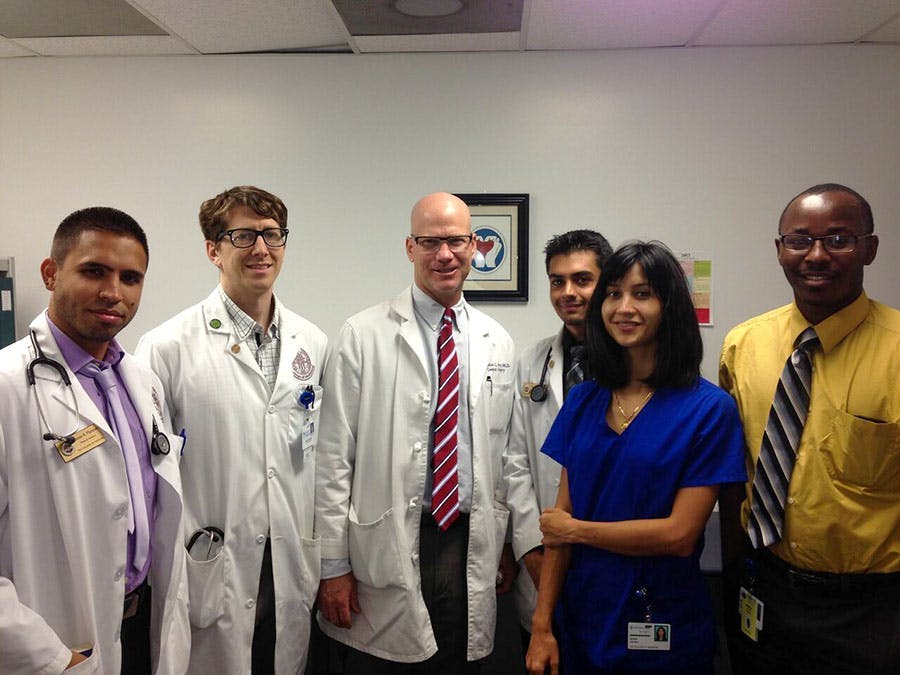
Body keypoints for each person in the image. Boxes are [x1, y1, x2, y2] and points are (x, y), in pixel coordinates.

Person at [314, 191, 541, 673]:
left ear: (475, 245)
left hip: (467, 540)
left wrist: (504, 544)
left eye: (456, 241)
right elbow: (333, 458)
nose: (445, 254)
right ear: (409, 247)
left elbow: (503, 456)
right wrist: (333, 567)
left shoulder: (495, 339)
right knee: (385, 663)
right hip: (384, 541)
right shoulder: (362, 334)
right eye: (430, 241)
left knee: (458, 663)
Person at [526, 241, 746, 674]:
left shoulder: (708, 409)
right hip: (583, 614)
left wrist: (577, 530)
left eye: (642, 294)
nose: (623, 307)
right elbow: (557, 531)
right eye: (613, 293)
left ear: (671, 306)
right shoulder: (585, 400)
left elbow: (679, 535)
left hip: (662, 617)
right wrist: (541, 625)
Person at [136, 186, 327, 673]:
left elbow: (319, 457)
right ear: (213, 250)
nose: (261, 249)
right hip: (211, 561)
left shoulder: (313, 342)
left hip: (288, 560)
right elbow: (147, 475)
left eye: (271, 235)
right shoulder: (167, 347)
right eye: (242, 236)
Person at [719, 183, 900, 673]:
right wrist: (734, 574)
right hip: (764, 587)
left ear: (870, 248)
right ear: (780, 250)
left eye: (839, 239)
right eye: (800, 240)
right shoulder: (743, 345)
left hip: (871, 608)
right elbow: (735, 476)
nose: (816, 255)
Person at [0, 206, 189, 673]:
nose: (113, 292)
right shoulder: (6, 386)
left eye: (131, 278)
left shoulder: (141, 381)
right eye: (93, 271)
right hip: (61, 635)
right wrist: (48, 657)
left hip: (142, 626)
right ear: (51, 273)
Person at [508, 229, 613, 639]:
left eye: (582, 279)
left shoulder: (638, 362)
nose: (568, 292)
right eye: (557, 281)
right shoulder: (533, 360)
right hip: (541, 560)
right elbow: (514, 463)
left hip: (614, 558)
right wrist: (532, 551)